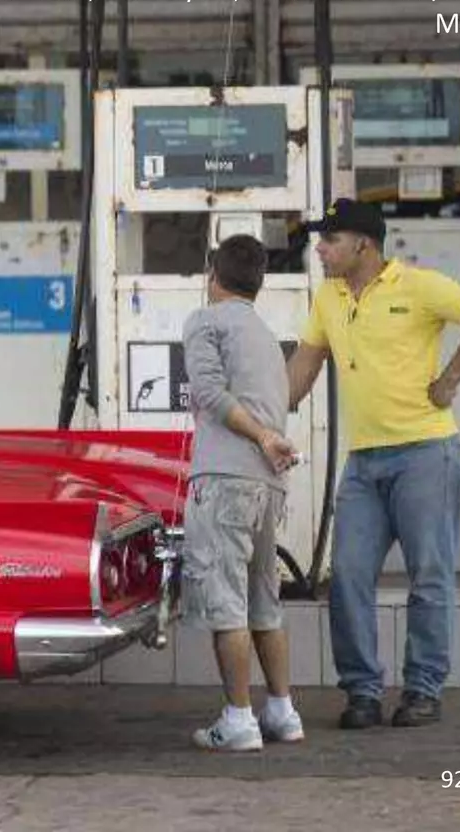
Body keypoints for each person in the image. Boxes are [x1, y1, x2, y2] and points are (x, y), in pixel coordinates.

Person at [287, 198, 460, 730]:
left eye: (330, 239)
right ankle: (362, 692)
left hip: (425, 454)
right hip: (362, 462)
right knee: (347, 577)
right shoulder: (328, 296)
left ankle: (423, 691)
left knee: (429, 576)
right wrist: (263, 419)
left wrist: (452, 377)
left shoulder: (417, 285)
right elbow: (305, 363)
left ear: (363, 243)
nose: (319, 248)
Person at [183, 234, 303, 752]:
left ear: (213, 273)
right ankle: (282, 711)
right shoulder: (266, 336)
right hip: (267, 485)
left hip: (226, 480)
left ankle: (237, 719)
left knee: (226, 604)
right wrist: (269, 441)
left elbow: (208, 393)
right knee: (263, 602)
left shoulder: (205, 321)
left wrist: (259, 436)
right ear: (261, 281)